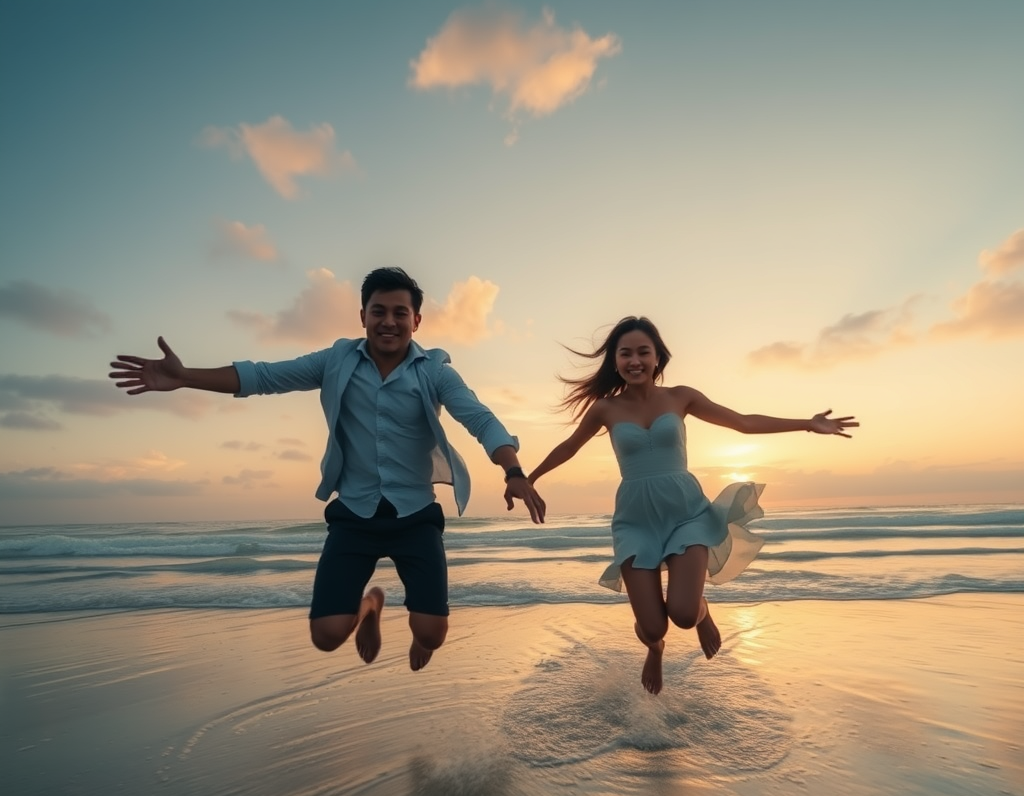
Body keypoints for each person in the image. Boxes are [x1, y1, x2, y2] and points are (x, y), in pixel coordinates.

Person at [109, 267, 546, 670]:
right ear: (362, 316)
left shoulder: (434, 372)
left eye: (400, 312)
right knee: (326, 636)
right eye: (379, 311)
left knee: (431, 635)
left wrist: (513, 471)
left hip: (415, 516)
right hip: (353, 515)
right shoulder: (336, 361)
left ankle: (416, 631)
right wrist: (186, 376)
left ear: (417, 321)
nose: (389, 322)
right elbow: (262, 377)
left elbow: (481, 419)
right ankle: (371, 605)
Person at [518, 315, 857, 695]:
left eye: (643, 352)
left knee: (681, 614)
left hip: (686, 513)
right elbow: (569, 447)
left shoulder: (681, 397)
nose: (634, 361)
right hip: (635, 519)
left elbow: (742, 422)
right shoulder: (604, 409)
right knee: (652, 628)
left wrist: (807, 424)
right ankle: (655, 650)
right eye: (625, 353)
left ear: (657, 357)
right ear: (614, 360)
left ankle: (701, 611)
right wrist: (529, 477)